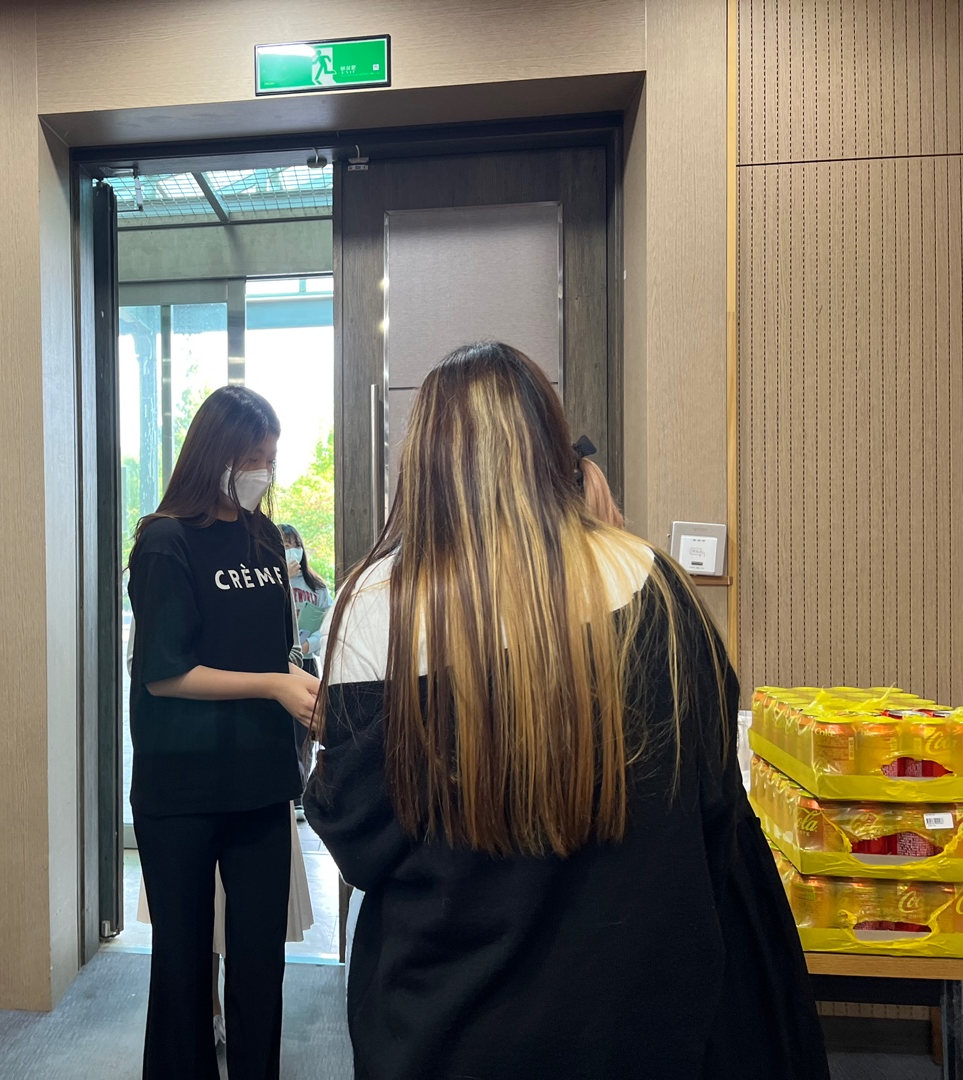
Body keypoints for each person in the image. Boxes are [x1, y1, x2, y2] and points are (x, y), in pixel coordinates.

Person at [305, 343, 828, 1080]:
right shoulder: (655, 584)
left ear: (423, 460)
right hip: (642, 1018)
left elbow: (359, 843)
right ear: (554, 448)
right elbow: (711, 800)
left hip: (450, 1026)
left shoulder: (374, 605)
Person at [127, 385, 320, 1080]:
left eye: (270, 458)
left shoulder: (264, 538)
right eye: (252, 458)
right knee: (182, 971)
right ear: (215, 454)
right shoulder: (164, 542)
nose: (263, 472)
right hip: (180, 787)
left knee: (260, 966)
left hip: (260, 784)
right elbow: (165, 674)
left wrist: (294, 681)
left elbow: (268, 650)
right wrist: (272, 685)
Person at [280, 523, 333, 678]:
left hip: (308, 661)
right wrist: (285, 578)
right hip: (279, 661)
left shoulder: (317, 586)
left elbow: (329, 623)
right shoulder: (269, 582)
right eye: (287, 546)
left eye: (297, 545)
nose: (293, 551)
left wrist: (309, 644)